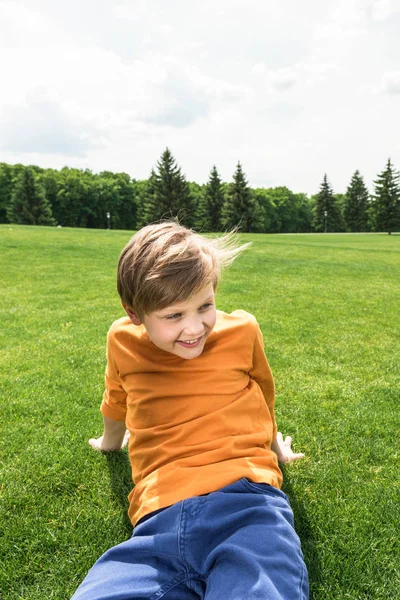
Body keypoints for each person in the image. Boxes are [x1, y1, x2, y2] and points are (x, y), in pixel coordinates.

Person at [71, 221, 309, 600]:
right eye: (173, 316)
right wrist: (108, 442)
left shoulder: (243, 330)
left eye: (205, 306)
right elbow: (116, 398)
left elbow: (263, 393)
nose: (195, 327)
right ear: (135, 314)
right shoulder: (121, 338)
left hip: (248, 504)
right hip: (159, 519)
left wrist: (276, 450)